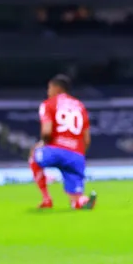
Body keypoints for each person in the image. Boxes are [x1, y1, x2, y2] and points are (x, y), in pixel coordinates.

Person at [28, 74, 96, 210]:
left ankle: (46, 198)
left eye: (49, 88)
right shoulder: (79, 106)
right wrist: (79, 155)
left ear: (56, 88)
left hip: (55, 151)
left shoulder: (49, 104)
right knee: (75, 201)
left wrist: (42, 144)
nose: (48, 92)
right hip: (76, 155)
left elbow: (46, 131)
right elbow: (87, 139)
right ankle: (82, 201)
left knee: (34, 157)